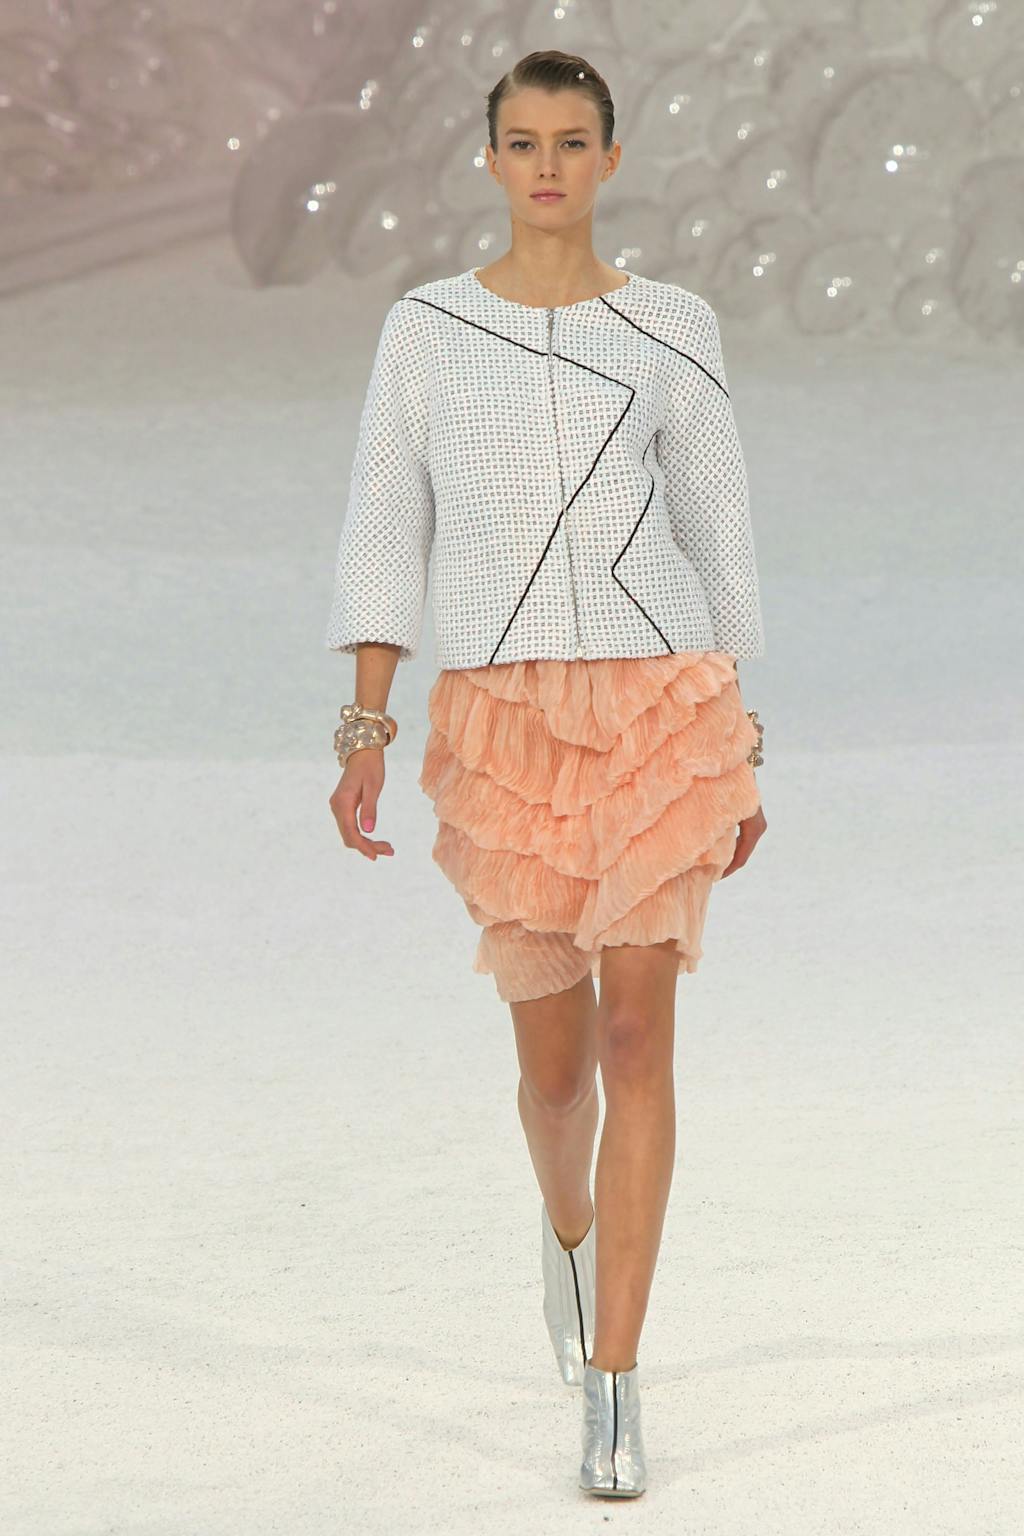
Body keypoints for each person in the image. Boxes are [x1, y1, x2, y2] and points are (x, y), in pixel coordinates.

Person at [326, 48, 767, 1500]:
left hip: (656, 707)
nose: (549, 168)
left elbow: (718, 529)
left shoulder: (673, 327)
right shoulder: (427, 331)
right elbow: (387, 524)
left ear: (611, 158)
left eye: (574, 142)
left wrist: (742, 738)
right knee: (557, 1071)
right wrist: (366, 728)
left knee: (639, 1038)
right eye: (523, 142)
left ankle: (617, 1383)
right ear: (492, 159)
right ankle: (566, 1233)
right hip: (504, 721)